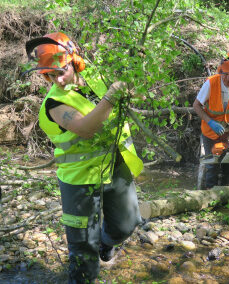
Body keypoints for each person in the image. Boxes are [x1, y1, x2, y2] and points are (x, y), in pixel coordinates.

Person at [23, 32, 144, 283]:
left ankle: (105, 243)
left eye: (62, 70)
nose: (57, 79)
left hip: (114, 165)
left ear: (75, 61)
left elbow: (132, 94)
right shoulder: (54, 104)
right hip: (79, 182)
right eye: (50, 75)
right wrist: (110, 97)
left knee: (126, 225)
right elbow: (87, 128)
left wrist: (132, 82)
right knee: (82, 254)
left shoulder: (95, 79)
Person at [193, 52, 229, 189]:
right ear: (220, 71)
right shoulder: (211, 83)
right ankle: (210, 197)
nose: (227, 78)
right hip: (210, 132)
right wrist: (210, 122)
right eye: (225, 74)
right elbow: (196, 105)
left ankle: (227, 197)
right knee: (212, 166)